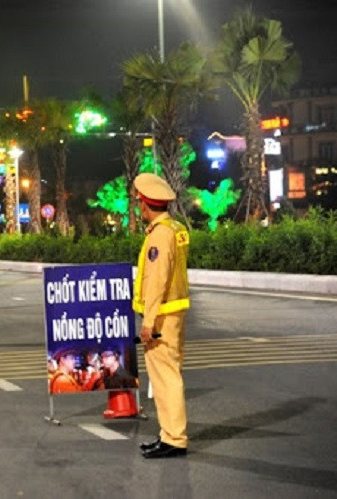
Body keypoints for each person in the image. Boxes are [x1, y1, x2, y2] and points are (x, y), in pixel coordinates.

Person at [132, 173, 190, 459]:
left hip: (162, 317)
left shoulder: (160, 235)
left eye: (138, 203)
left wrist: (148, 322)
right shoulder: (176, 228)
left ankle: (174, 438)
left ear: (145, 205)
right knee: (168, 376)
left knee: (166, 378)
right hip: (173, 312)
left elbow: (156, 281)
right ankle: (169, 434)